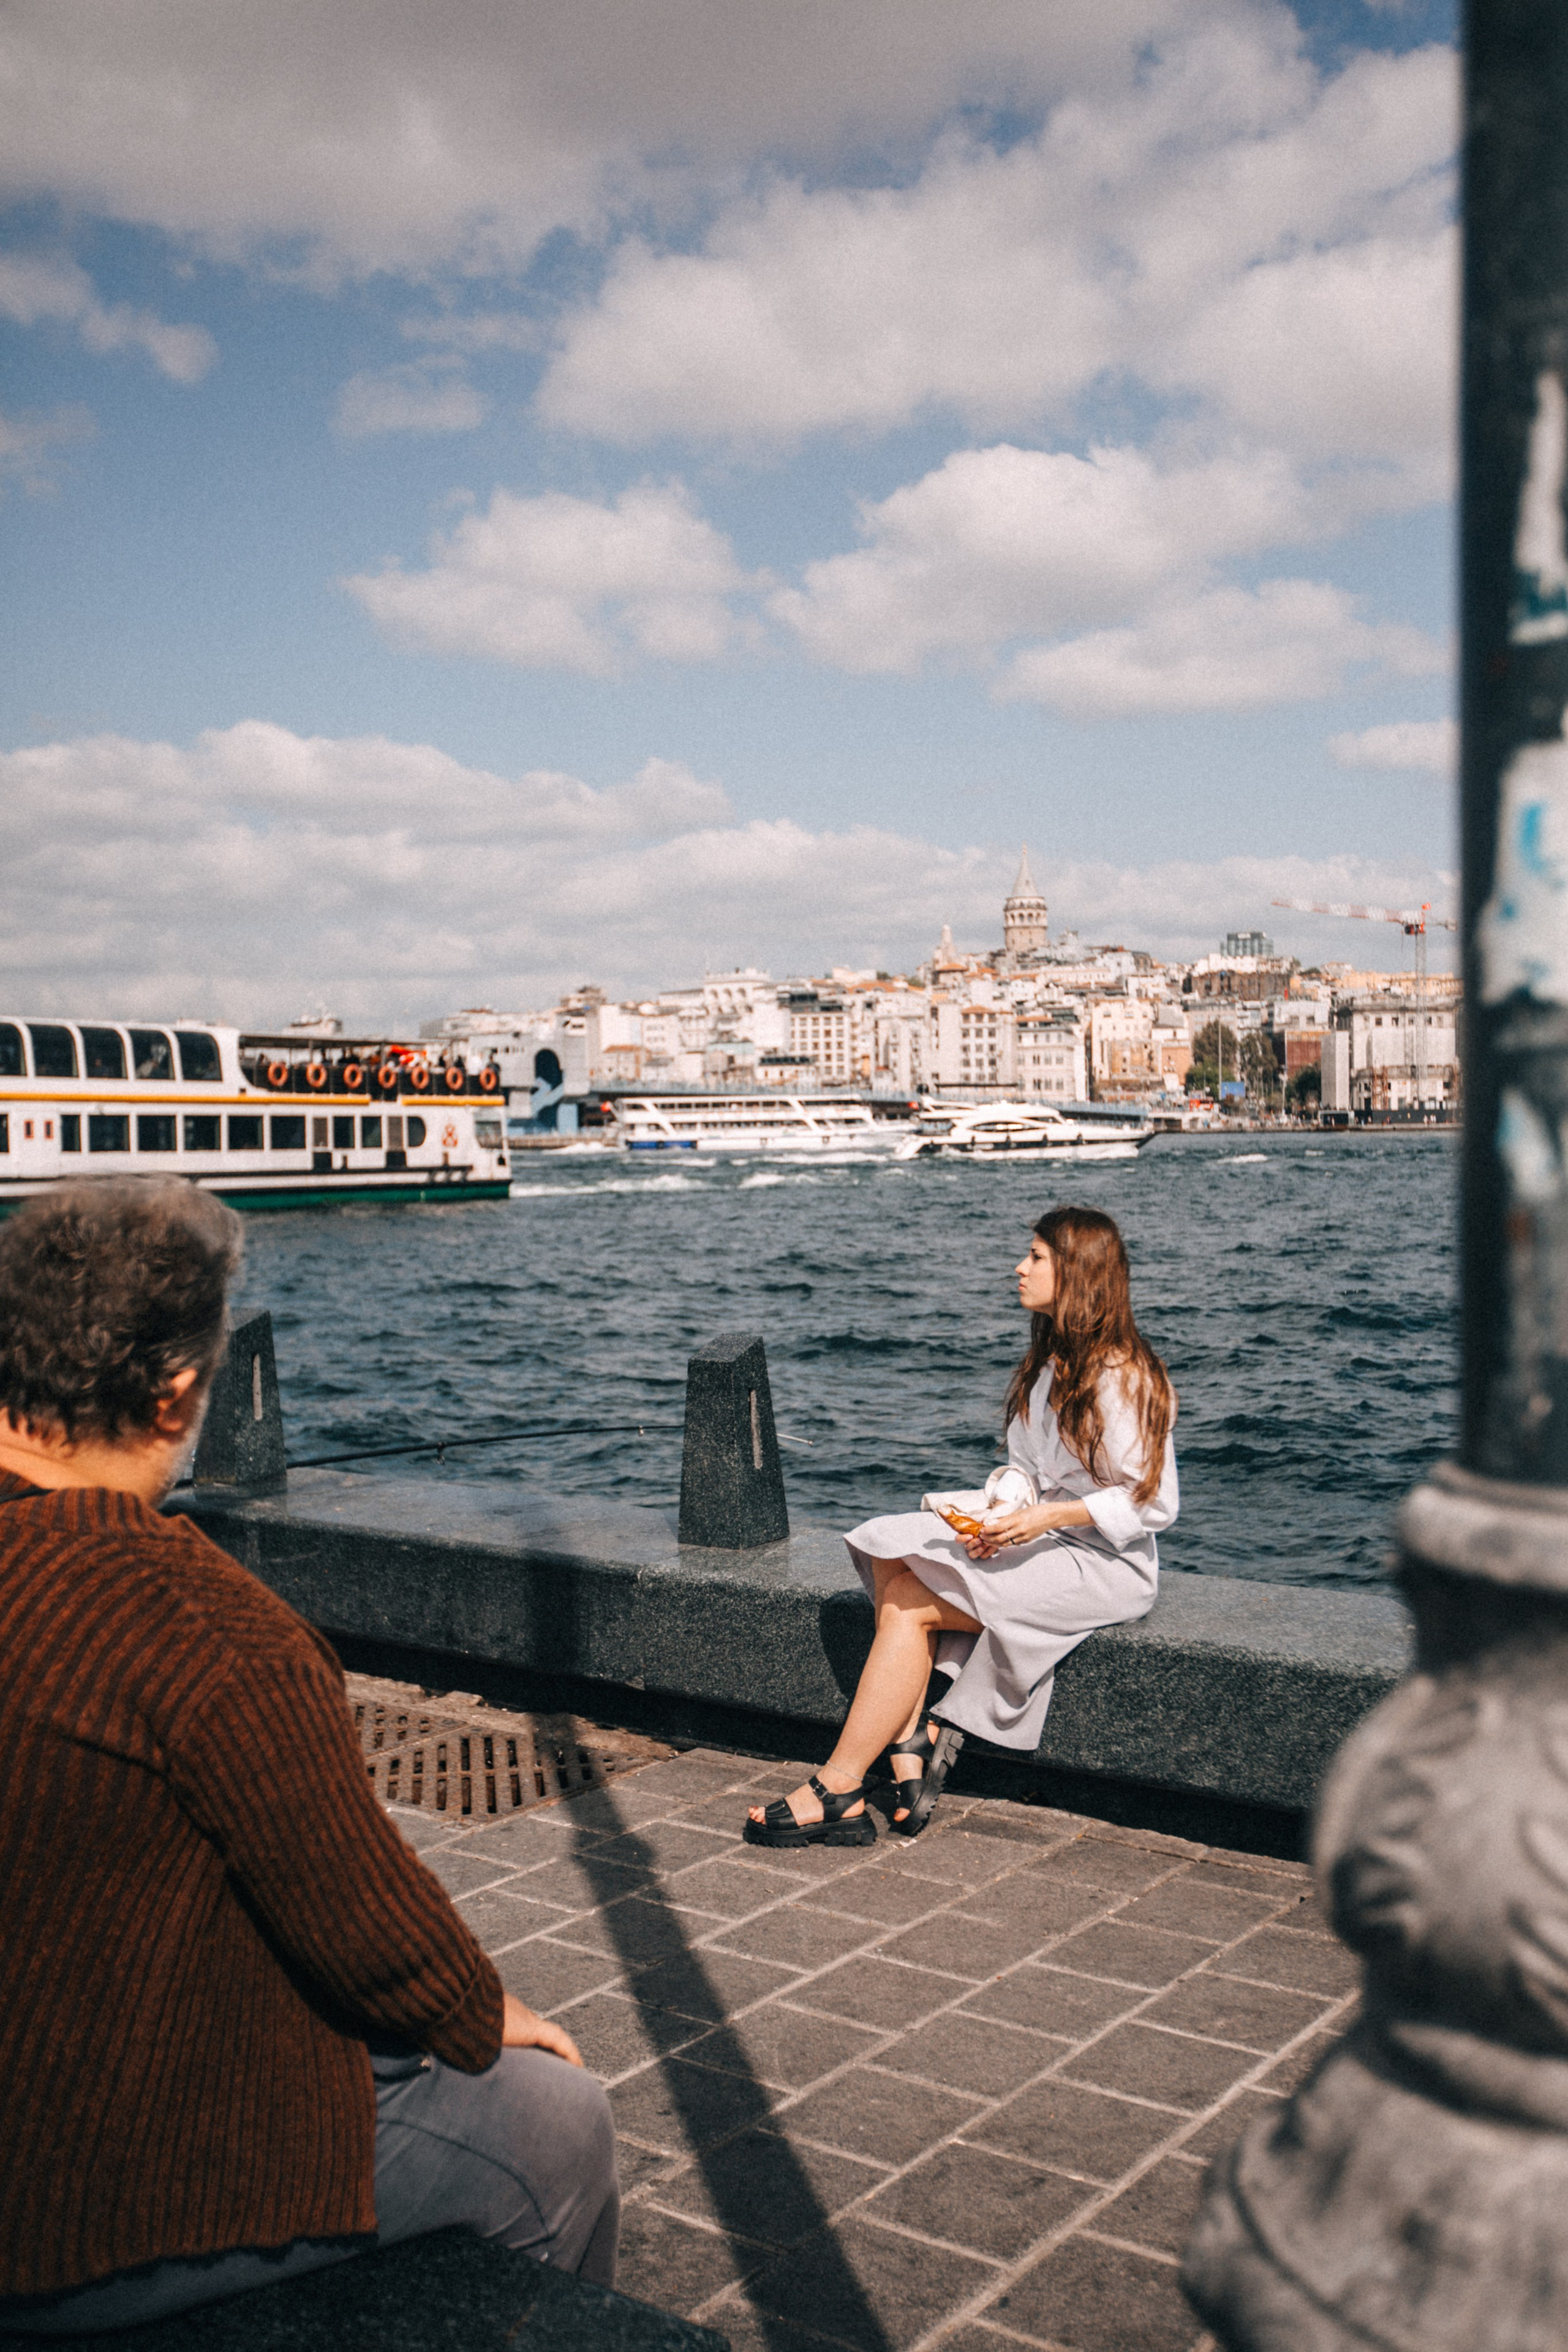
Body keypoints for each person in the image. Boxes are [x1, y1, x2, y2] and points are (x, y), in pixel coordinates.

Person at [0, 1180, 618, 2335]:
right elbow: (364, 1928)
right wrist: (483, 2013)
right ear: (180, 1393)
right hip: (69, 2210)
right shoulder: (209, 1628)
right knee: (555, 2122)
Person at [746, 1204, 1177, 1847]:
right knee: (891, 1550)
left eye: (1035, 1257)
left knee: (912, 1602)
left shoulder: (1125, 1377)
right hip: (1049, 1537)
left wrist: (1045, 1518)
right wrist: (994, 1516)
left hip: (1107, 1566)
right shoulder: (1047, 1368)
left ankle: (841, 1783)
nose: (1019, 1267)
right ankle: (907, 1744)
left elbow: (1154, 1505)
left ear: (1077, 1273)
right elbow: (1025, 1476)